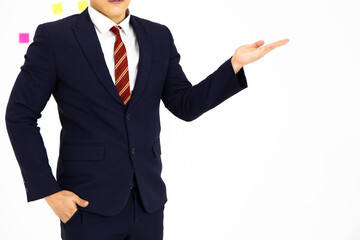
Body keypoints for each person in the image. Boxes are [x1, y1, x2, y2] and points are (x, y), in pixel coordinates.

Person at [5, 0, 289, 239]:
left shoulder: (158, 36)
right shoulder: (55, 37)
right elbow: (20, 114)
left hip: (148, 203)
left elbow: (184, 105)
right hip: (86, 205)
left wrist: (234, 65)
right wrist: (49, 192)